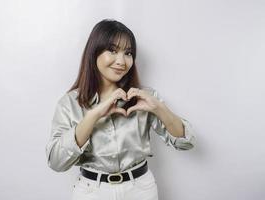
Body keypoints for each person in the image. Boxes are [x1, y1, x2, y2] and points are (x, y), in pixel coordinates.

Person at [45, 19, 196, 200]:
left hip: (140, 189)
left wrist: (158, 107)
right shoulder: (70, 103)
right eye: (113, 50)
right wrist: (93, 116)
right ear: (94, 53)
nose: (121, 61)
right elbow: (56, 162)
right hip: (91, 192)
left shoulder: (144, 97)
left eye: (128, 53)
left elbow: (186, 142)